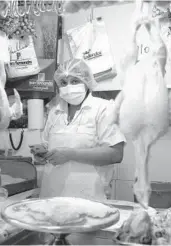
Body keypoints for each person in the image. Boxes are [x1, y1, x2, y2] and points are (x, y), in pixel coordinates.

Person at [33, 58, 126, 201]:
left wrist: (71, 154)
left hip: (89, 198)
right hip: (52, 196)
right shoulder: (54, 112)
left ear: (86, 82)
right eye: (63, 82)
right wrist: (42, 155)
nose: (68, 87)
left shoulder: (104, 109)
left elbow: (116, 154)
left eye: (75, 81)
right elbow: (47, 146)